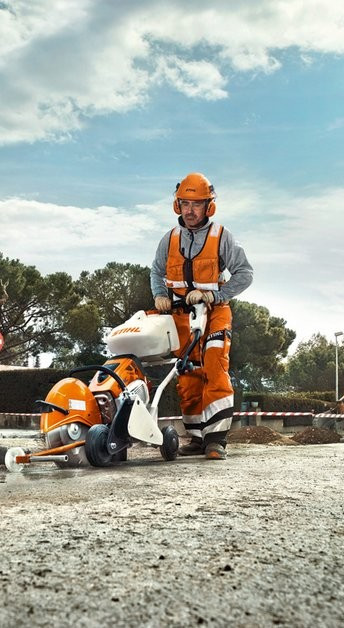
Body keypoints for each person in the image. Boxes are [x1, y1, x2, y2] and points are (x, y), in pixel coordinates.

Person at [150, 172, 253, 460]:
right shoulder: (169, 239)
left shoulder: (221, 237)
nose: (190, 210)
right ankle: (196, 438)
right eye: (185, 203)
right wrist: (159, 294)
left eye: (197, 204)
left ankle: (216, 440)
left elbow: (245, 274)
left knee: (214, 367)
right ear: (177, 205)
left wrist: (215, 295)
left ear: (209, 206)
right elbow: (156, 271)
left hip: (214, 313)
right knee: (188, 375)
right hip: (182, 316)